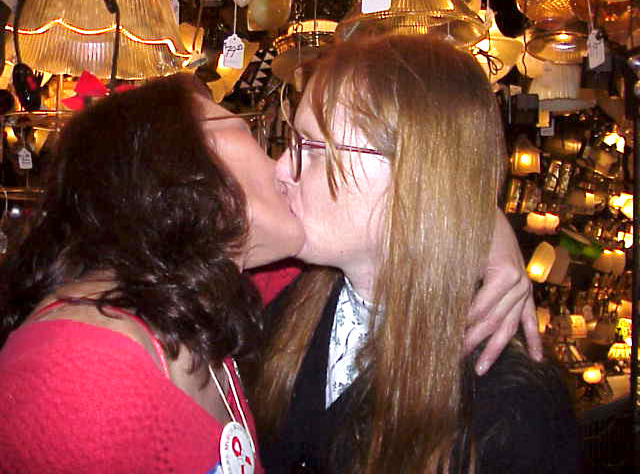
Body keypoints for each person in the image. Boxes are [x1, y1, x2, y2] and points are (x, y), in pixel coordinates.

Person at [249, 35, 580, 473]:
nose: (280, 169)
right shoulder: (281, 306)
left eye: (311, 148)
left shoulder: (511, 404)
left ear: (412, 171)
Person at [0, 73, 304, 473]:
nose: (284, 164)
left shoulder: (204, 296)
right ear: (171, 161)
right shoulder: (81, 370)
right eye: (247, 132)